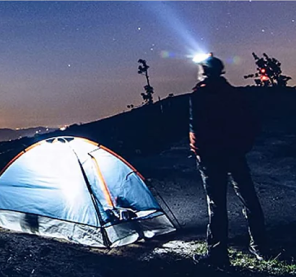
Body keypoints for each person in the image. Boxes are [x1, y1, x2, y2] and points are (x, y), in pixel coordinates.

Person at [189, 54, 267, 267]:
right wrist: (243, 146)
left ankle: (218, 254)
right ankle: (260, 246)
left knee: (217, 205)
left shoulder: (199, 96)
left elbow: (195, 129)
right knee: (249, 199)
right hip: (235, 154)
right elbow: (250, 120)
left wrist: (199, 153)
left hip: (212, 158)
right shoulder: (232, 94)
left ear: (205, 71)